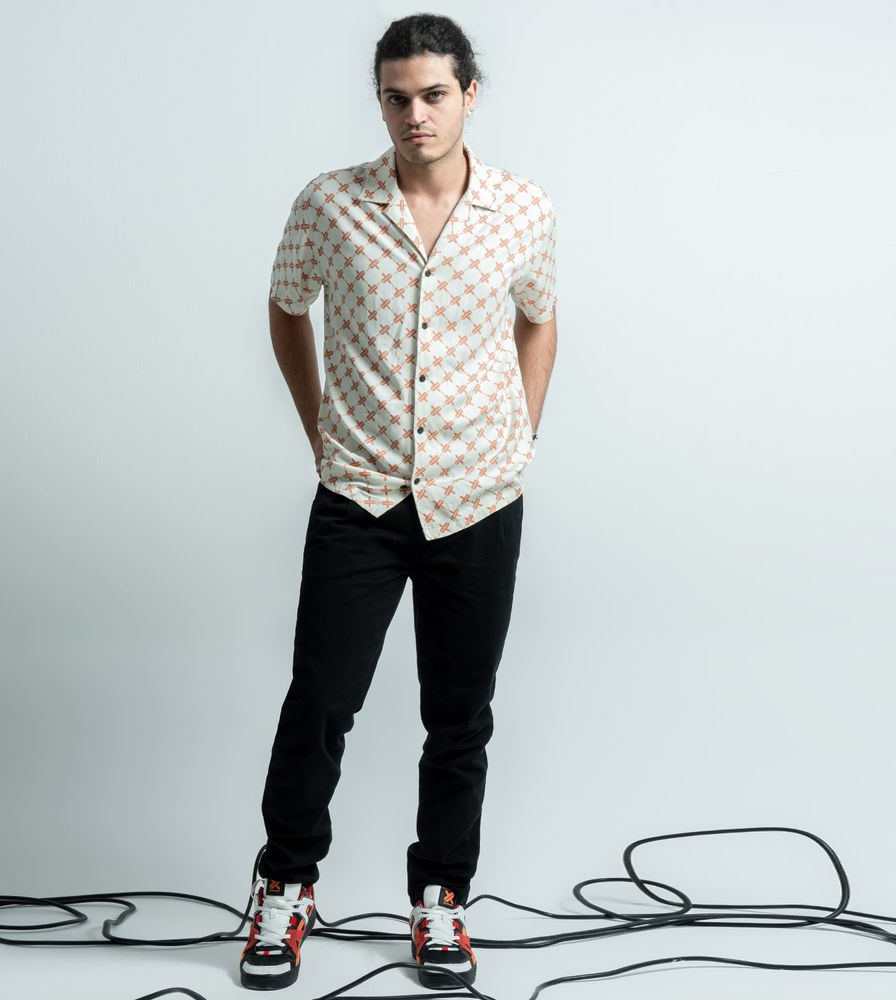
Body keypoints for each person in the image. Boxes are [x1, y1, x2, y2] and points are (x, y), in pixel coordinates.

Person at [240, 12, 557, 992]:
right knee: (321, 699)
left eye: (433, 94)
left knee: (460, 715)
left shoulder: (523, 210)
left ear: (469, 95)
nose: (415, 113)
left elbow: (539, 320)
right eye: (396, 97)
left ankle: (441, 899)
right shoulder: (330, 205)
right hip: (361, 494)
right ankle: (285, 886)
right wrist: (320, 430)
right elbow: (285, 307)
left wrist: (522, 440)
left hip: (479, 499)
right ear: (379, 101)